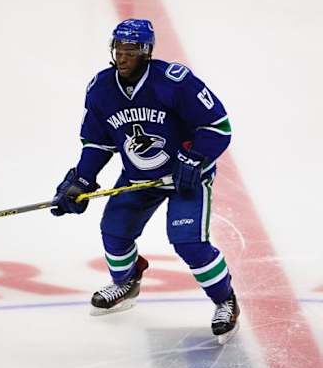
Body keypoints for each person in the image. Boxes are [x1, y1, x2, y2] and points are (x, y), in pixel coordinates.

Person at [51, 19, 239, 344]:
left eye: (130, 50)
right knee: (114, 229)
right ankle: (126, 281)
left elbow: (218, 126)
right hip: (139, 179)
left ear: (146, 51)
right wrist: (81, 179)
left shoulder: (174, 83)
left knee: (188, 243)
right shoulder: (101, 89)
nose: (122, 57)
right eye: (118, 50)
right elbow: (97, 142)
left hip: (185, 179)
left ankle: (226, 300)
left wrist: (195, 159)